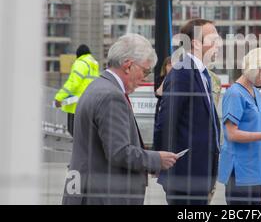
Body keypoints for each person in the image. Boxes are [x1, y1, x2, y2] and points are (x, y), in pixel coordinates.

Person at [62, 34, 178, 205]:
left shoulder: (97, 86)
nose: (145, 78)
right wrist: (156, 159)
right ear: (128, 65)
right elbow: (119, 152)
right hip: (103, 196)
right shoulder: (111, 96)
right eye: (145, 71)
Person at [157, 18, 223, 205]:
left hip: (200, 175)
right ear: (195, 43)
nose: (219, 44)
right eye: (213, 39)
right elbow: (166, 122)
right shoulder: (181, 73)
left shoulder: (203, 75)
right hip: (184, 177)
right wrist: (162, 164)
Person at [218, 48, 261, 205]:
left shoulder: (256, 92)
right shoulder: (235, 93)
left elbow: (255, 127)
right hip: (240, 170)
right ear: (253, 69)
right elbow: (232, 134)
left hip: (254, 168)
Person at [54, 44, 99, 136]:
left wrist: (59, 97)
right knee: (85, 135)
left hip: (76, 105)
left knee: (74, 132)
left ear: (78, 55)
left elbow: (73, 83)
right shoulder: (93, 65)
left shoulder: (81, 63)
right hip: (90, 105)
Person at [152, 56, 172, 151]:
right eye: (169, 65)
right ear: (165, 67)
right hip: (161, 107)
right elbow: (158, 93)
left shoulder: (178, 80)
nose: (171, 67)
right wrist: (167, 78)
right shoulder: (159, 79)